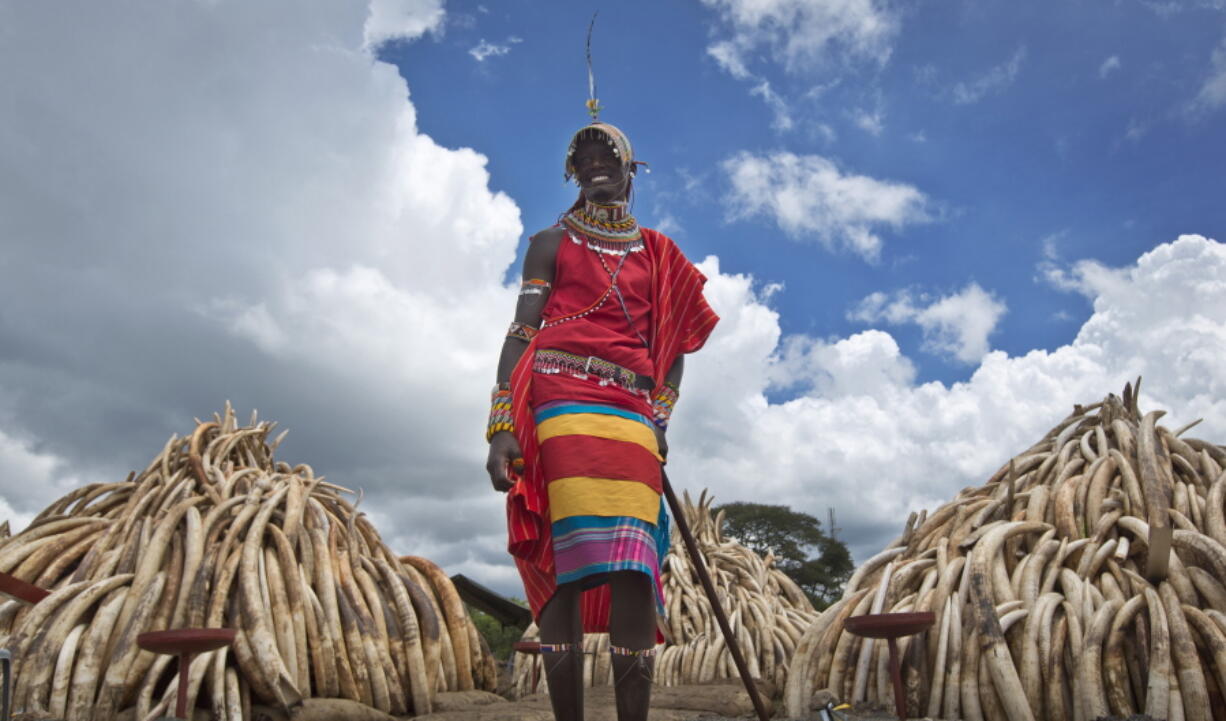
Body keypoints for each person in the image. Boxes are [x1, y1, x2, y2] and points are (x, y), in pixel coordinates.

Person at [485, 119, 718, 721]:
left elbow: (676, 352)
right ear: (572, 174)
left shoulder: (660, 254)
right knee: (565, 563)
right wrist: (502, 425)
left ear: (628, 167)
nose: (594, 165)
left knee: (636, 567)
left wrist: (659, 420)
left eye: (605, 155)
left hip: (633, 417)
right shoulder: (549, 244)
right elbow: (520, 335)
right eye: (582, 159)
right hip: (558, 401)